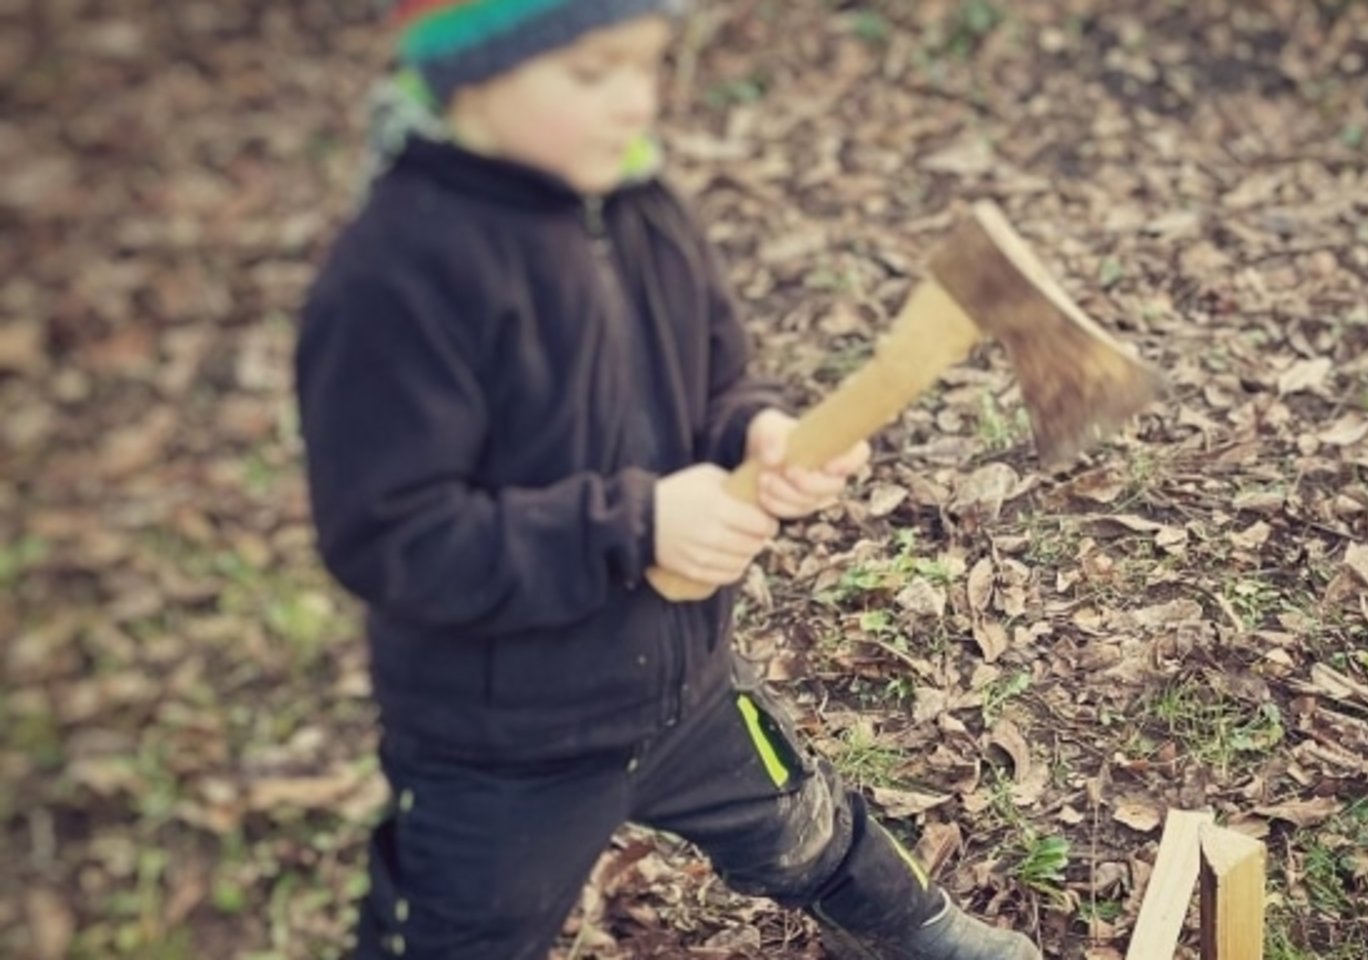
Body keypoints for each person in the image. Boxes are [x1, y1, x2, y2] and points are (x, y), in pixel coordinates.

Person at [294, 1, 1044, 957]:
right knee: (451, 938)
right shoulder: (400, 275)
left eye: (647, 67)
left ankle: (916, 932)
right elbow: (393, 535)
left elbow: (718, 378)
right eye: (593, 73)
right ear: (472, 73)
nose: (633, 103)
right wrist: (636, 525)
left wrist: (759, 432)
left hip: (685, 683)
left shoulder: (643, 207)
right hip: (508, 740)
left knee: (802, 818)